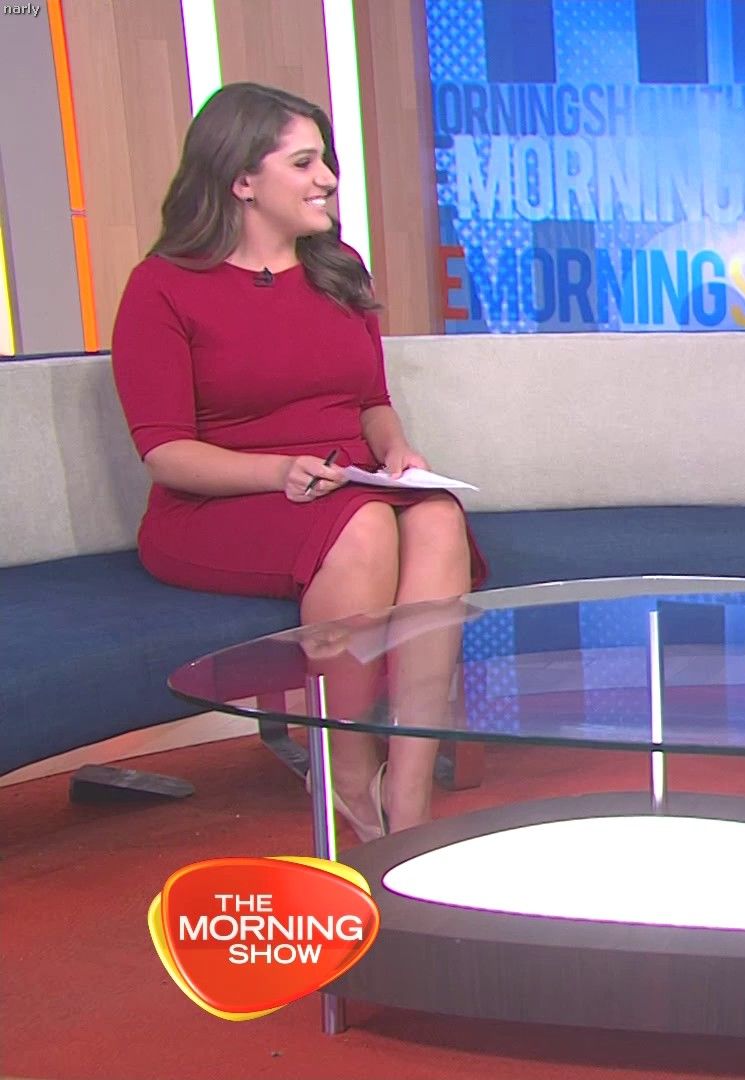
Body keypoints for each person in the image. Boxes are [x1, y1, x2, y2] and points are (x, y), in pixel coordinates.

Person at [110, 82, 486, 841]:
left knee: (438, 517)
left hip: (346, 483)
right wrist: (280, 471)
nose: (328, 180)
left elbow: (370, 400)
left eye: (326, 161)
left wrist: (395, 449)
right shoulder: (161, 288)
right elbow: (166, 454)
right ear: (242, 179)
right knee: (365, 527)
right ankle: (348, 772)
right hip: (220, 502)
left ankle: (409, 793)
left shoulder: (338, 266)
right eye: (305, 163)